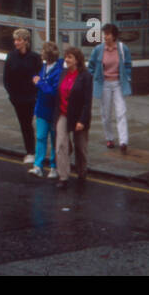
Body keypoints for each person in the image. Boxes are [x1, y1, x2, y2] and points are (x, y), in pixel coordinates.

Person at [88, 23, 133, 153]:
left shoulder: (122, 48)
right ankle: (109, 138)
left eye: (107, 34)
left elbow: (128, 64)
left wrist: (127, 77)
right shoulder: (98, 49)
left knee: (121, 112)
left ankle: (123, 141)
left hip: (118, 83)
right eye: (104, 34)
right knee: (106, 114)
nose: (105, 37)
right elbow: (91, 66)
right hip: (104, 84)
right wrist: (94, 77)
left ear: (114, 36)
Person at [54, 44, 93, 193]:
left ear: (77, 60)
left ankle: (82, 173)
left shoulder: (85, 76)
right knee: (61, 145)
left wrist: (82, 121)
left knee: (80, 148)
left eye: (70, 57)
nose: (66, 59)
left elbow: (87, 101)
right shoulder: (63, 73)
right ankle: (63, 177)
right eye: (66, 56)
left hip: (79, 116)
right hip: (63, 114)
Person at [3, 28, 41, 164]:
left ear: (26, 41)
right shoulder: (11, 56)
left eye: (18, 40)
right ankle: (30, 152)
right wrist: (11, 95)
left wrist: (36, 95)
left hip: (31, 98)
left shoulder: (35, 58)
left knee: (30, 124)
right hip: (17, 98)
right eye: (15, 40)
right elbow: (6, 78)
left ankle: (34, 151)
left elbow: (39, 78)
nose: (16, 43)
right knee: (24, 124)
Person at [31, 41, 62, 177]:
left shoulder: (59, 70)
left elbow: (54, 91)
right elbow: (38, 78)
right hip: (42, 110)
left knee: (55, 140)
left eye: (43, 51)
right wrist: (36, 79)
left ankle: (54, 167)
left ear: (48, 54)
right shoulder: (44, 66)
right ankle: (38, 166)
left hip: (54, 112)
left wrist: (40, 83)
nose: (41, 53)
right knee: (41, 137)